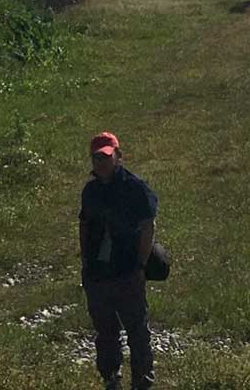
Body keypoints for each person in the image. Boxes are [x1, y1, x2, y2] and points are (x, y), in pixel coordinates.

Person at [79, 131, 158, 390]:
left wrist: (141, 265)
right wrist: (86, 266)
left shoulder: (135, 188)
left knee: (137, 329)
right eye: (96, 158)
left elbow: (148, 227)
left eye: (105, 157)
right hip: (98, 273)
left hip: (127, 270)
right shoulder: (90, 191)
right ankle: (111, 378)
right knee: (105, 331)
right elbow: (84, 225)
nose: (100, 162)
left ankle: (142, 382)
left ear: (118, 157)